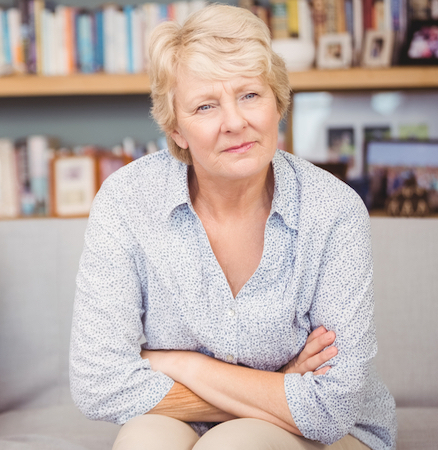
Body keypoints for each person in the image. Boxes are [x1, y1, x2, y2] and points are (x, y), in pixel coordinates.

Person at [69, 5, 396, 450]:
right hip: (187, 414)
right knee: (142, 443)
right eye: (205, 106)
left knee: (233, 446)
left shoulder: (334, 210)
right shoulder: (127, 200)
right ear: (176, 128)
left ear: (277, 102)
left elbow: (329, 407)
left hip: (333, 433)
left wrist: (186, 366)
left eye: (250, 95)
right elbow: (98, 383)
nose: (235, 123)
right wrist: (278, 386)